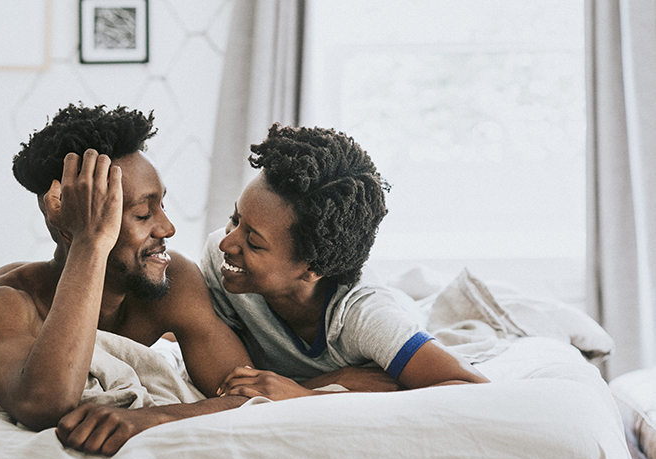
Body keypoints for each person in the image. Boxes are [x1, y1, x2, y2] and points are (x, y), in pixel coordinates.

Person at [0, 103, 255, 456]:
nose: (168, 228)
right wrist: (88, 241)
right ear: (64, 219)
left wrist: (155, 418)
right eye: (143, 214)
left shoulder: (174, 278)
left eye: (161, 206)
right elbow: (44, 404)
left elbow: (249, 394)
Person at [201, 123, 489, 401]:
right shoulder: (220, 260)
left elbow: (473, 389)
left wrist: (306, 396)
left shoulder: (367, 319)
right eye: (235, 219)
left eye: (253, 242)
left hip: (399, 310)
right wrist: (331, 381)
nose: (227, 242)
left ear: (313, 268)